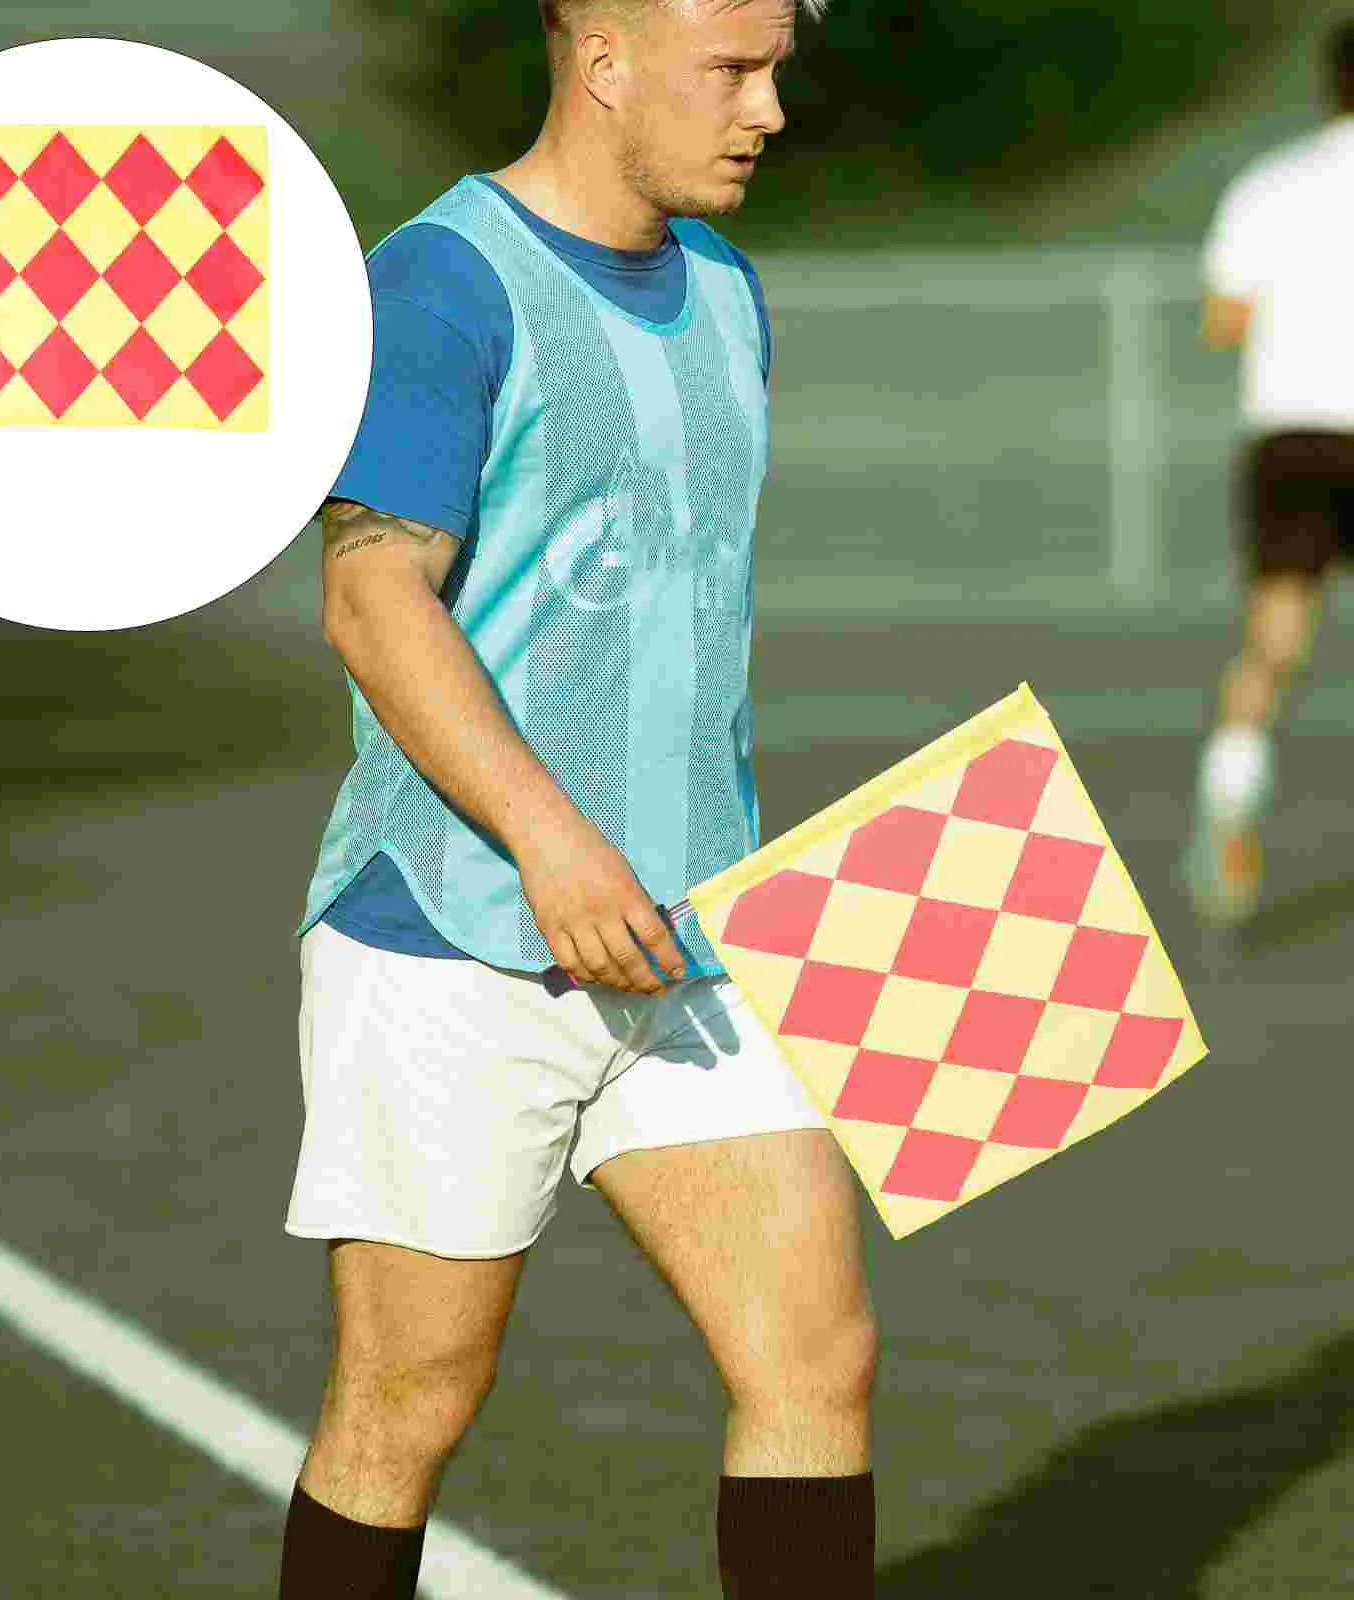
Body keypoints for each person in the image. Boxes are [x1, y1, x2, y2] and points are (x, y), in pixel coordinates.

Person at [277, 2, 878, 1597]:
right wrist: (553, 847)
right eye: (733, 71)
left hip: (696, 941)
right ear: (604, 61)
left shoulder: (730, 288)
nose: (769, 109)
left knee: (815, 1361)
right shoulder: (441, 283)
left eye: (776, 68)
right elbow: (372, 598)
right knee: (407, 1406)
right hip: (453, 943)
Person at [1184, 18, 1354, 925]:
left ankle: (1231, 803)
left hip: (1295, 440)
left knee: (1273, 645)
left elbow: (1225, 320)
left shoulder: (1269, 183)